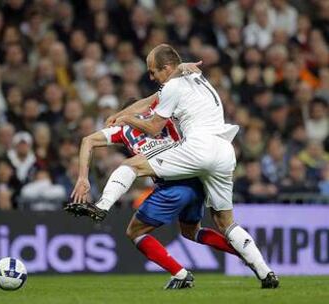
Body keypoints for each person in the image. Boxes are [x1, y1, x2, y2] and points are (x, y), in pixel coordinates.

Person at [73, 44, 278, 288]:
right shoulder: (195, 77)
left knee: (132, 168)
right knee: (224, 223)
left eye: (153, 72)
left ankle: (102, 206)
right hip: (223, 150)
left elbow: (152, 126)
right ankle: (264, 270)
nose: (152, 78)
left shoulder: (169, 89)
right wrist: (180, 67)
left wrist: (125, 118)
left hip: (195, 152)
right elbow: (151, 99)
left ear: (167, 68)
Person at [66, 94, 241, 289]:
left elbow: (87, 140)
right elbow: (160, 95)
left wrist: (83, 177)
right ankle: (244, 251)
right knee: (192, 231)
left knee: (135, 231)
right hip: (196, 182)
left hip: (171, 186)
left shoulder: (123, 130)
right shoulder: (164, 115)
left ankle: (181, 274)